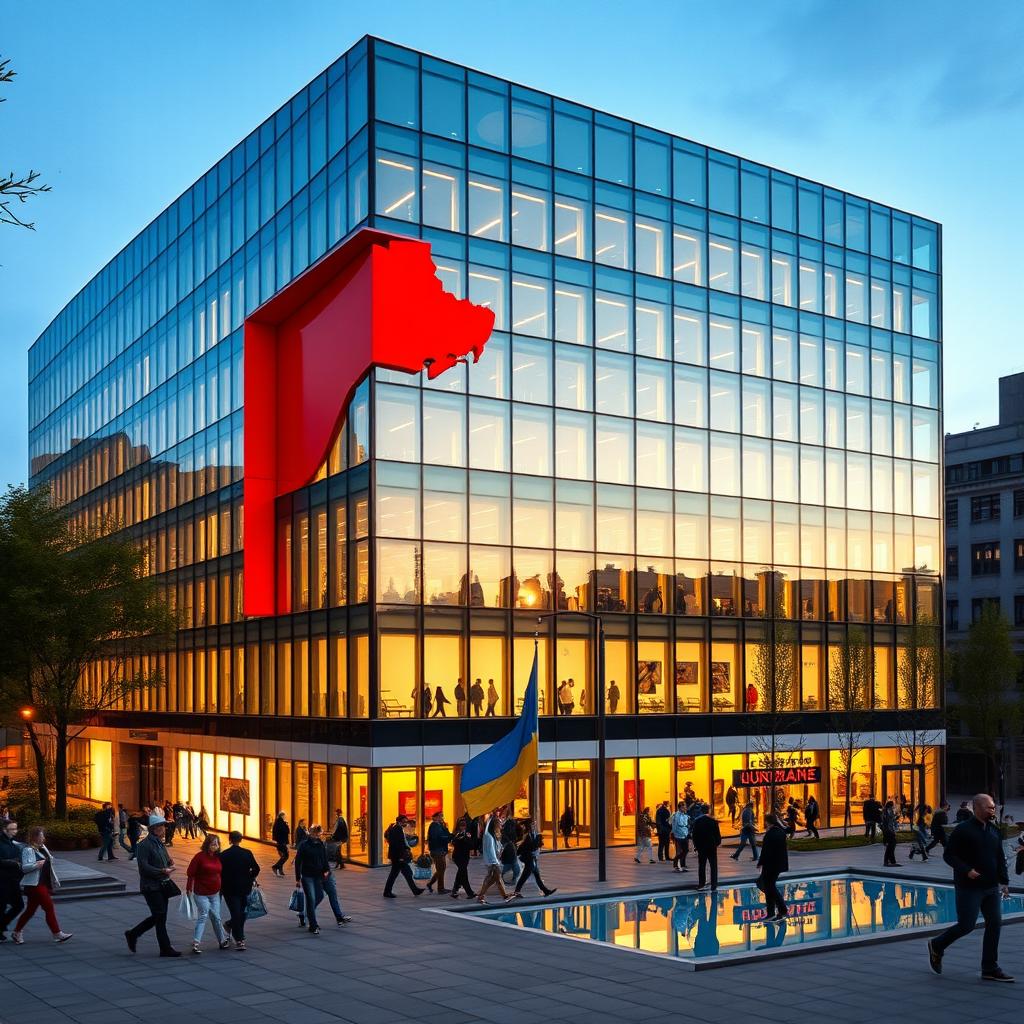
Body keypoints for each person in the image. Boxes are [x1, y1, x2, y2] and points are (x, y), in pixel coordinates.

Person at [928, 793, 1013, 983]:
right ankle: (937, 945)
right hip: (969, 887)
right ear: (978, 808)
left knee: (995, 924)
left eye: (993, 807)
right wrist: (967, 870)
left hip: (991, 887)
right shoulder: (963, 830)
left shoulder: (994, 830)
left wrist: (1004, 882)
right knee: (967, 925)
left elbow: (1000, 858)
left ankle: (990, 968)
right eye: (989, 807)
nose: (993, 810)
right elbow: (949, 856)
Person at [125, 810, 181, 957]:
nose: (164, 829)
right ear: (154, 828)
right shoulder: (145, 845)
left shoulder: (159, 843)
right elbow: (143, 867)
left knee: (160, 916)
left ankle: (134, 934)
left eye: (164, 826)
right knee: (160, 915)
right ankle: (164, 947)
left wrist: (170, 862)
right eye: (162, 826)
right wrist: (162, 871)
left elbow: (165, 857)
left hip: (162, 884)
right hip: (151, 886)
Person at [11, 827, 72, 944]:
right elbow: (25, 868)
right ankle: (57, 933)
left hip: (43, 882)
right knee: (49, 907)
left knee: (30, 910)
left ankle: (17, 932)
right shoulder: (28, 850)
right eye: (41, 836)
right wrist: (36, 865)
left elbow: (50, 861)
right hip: (35, 884)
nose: (43, 838)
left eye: (43, 835)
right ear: (35, 837)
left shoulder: (42, 847)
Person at [295, 824, 351, 934]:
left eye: (320, 834)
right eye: (317, 834)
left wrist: (326, 870)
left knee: (326, 894)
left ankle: (337, 917)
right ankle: (313, 925)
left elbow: (324, 858)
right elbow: (298, 862)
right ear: (311, 833)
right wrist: (298, 878)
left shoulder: (320, 844)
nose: (319, 836)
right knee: (311, 898)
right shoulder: (304, 845)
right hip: (308, 876)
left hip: (322, 874)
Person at [185, 833, 230, 954]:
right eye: (213, 843)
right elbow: (190, 873)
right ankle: (196, 942)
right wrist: (188, 888)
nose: (215, 846)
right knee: (204, 915)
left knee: (216, 917)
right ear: (207, 844)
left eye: (217, 844)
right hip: (201, 893)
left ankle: (222, 941)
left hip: (215, 893)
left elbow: (220, 872)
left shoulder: (218, 857)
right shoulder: (199, 857)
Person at [220, 830, 261, 951]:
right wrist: (250, 877)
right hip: (244, 888)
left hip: (229, 889)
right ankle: (239, 939)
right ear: (241, 839)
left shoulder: (224, 855)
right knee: (241, 913)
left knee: (236, 913)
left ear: (230, 840)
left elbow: (220, 872)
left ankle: (231, 927)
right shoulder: (247, 853)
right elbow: (256, 868)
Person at [383, 814, 425, 898]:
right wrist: (401, 857)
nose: (406, 823)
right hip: (398, 857)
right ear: (400, 822)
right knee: (399, 874)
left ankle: (415, 890)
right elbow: (397, 845)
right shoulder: (397, 829)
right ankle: (387, 892)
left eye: (406, 821)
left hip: (397, 856)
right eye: (404, 821)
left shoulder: (396, 828)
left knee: (404, 873)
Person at [756, 813, 789, 922]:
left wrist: (760, 862)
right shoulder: (780, 832)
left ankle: (781, 909)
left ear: (767, 822)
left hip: (770, 865)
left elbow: (766, 851)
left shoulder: (770, 834)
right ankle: (772, 912)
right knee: (769, 886)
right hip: (778, 864)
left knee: (769, 887)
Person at [513, 818, 555, 897]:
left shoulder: (532, 833)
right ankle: (516, 892)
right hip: (528, 857)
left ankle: (545, 891)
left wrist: (538, 841)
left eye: (534, 824)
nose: (534, 825)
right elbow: (526, 846)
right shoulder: (526, 834)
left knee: (536, 875)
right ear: (529, 825)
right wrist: (537, 843)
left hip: (531, 857)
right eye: (532, 824)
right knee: (525, 876)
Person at [0, 818, 25, 942]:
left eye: (16, 828)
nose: (15, 831)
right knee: (2, 906)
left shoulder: (13, 843)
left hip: (13, 879)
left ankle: (1, 926)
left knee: (19, 905)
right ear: (5, 830)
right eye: (12, 829)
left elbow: (19, 858)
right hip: (2, 880)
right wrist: (14, 862)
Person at [477, 814, 510, 904]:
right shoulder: (489, 836)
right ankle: (481, 896)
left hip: (494, 861)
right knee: (492, 879)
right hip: (492, 862)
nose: (501, 826)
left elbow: (497, 849)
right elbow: (491, 852)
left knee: (497, 879)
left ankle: (504, 896)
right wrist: (495, 863)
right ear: (495, 825)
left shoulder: (494, 836)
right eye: (499, 824)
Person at [691, 806, 722, 891]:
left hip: (701, 846)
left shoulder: (697, 821)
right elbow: (718, 836)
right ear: (709, 810)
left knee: (702, 865)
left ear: (701, 811)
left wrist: (696, 846)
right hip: (711, 846)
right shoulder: (713, 821)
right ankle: (714, 885)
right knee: (713, 866)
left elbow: (694, 835)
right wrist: (716, 844)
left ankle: (701, 884)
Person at [426, 811, 452, 894]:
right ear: (435, 817)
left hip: (441, 850)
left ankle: (430, 884)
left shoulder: (440, 825)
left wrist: (446, 829)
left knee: (441, 869)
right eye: (440, 816)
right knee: (441, 869)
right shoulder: (434, 826)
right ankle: (440, 888)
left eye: (442, 816)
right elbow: (437, 837)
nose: (442, 818)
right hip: (437, 850)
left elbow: (446, 834)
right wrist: (446, 838)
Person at [449, 819, 476, 900]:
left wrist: (467, 838)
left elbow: (471, 845)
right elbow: (454, 843)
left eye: (464, 826)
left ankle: (454, 890)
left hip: (465, 857)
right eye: (461, 826)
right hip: (458, 857)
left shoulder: (467, 834)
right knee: (464, 874)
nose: (463, 827)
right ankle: (469, 892)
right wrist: (458, 838)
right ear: (458, 826)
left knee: (461, 873)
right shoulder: (456, 834)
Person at [670, 801, 690, 872]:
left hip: (685, 835)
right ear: (680, 807)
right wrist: (673, 834)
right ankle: (676, 864)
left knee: (686, 850)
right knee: (679, 851)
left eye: (685, 806)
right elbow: (674, 825)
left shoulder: (685, 815)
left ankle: (682, 864)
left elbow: (686, 824)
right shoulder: (676, 815)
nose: (685, 808)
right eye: (683, 806)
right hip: (678, 835)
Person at [881, 799, 900, 867]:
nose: (894, 806)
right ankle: (887, 861)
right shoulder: (888, 811)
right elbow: (889, 820)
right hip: (889, 831)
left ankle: (891, 861)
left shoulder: (886, 811)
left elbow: (890, 819)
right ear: (891, 806)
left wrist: (895, 817)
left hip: (888, 830)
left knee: (891, 846)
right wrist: (896, 817)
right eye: (893, 805)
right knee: (891, 846)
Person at [271, 811, 290, 876]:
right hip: (281, 842)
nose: (285, 817)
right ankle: (275, 867)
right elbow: (286, 831)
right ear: (282, 816)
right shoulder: (281, 823)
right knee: (286, 856)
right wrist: (287, 825)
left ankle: (280, 869)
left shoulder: (278, 822)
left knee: (283, 856)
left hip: (279, 842)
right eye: (284, 816)